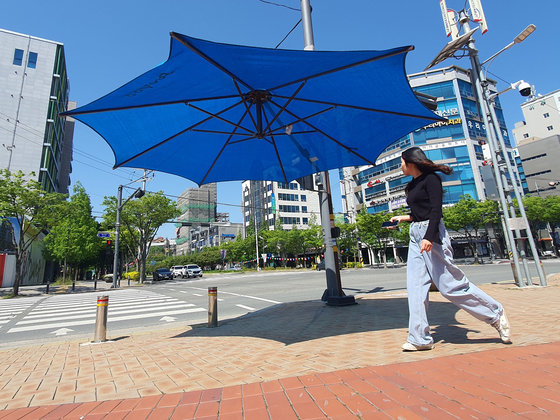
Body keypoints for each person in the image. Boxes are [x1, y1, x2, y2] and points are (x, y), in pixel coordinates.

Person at [390, 147, 511, 351]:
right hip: (415, 235)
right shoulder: (412, 185)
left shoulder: (432, 179)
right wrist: (403, 218)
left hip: (432, 234)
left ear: (411, 162)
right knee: (416, 288)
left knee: (449, 285)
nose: (400, 167)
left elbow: (436, 211)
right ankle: (419, 339)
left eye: (401, 162)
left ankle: (495, 313)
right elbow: (420, 212)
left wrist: (429, 237)